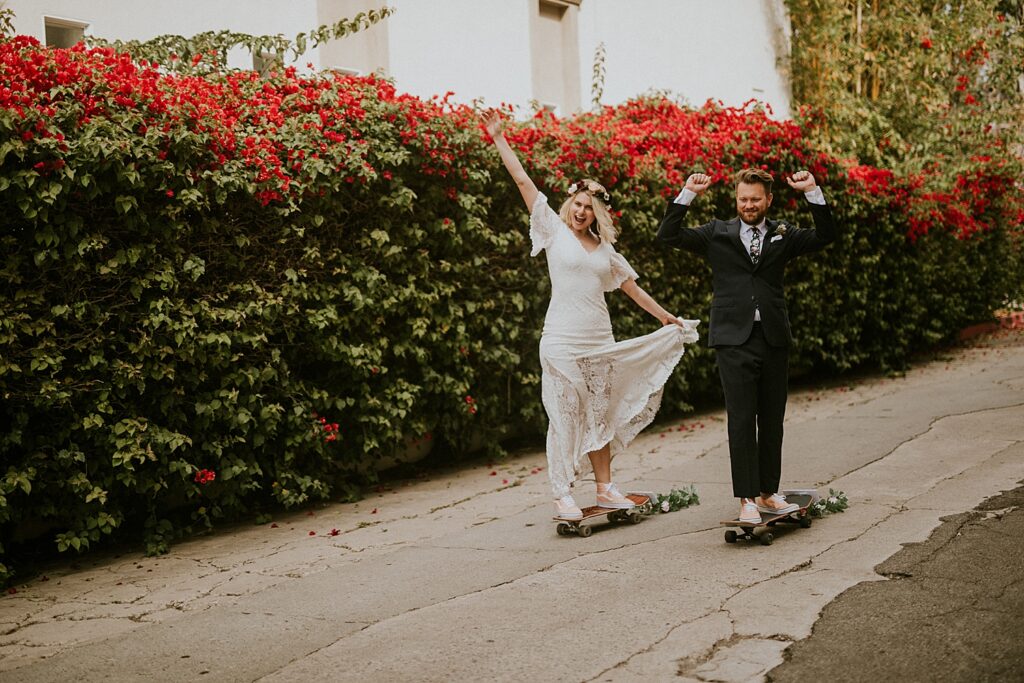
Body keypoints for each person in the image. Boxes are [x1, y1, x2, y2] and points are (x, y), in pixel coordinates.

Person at [481, 110, 699, 521]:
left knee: (599, 417)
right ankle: (562, 493)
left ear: (599, 213)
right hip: (561, 341)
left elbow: (632, 288)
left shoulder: (605, 251)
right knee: (564, 415)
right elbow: (523, 181)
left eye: (590, 207)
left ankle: (605, 488)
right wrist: (499, 139)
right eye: (578, 204)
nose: (582, 211)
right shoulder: (551, 228)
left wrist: (666, 318)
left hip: (600, 341)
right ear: (569, 204)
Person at [656, 168, 837, 524]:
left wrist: (813, 191)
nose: (749, 205)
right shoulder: (716, 233)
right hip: (732, 340)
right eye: (743, 199)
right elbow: (667, 235)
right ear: (735, 199)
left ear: (768, 200)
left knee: (772, 420)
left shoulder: (783, 232)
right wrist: (687, 194)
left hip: (773, 338)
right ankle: (747, 500)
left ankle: (769, 494)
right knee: (740, 421)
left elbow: (826, 235)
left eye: (755, 199)